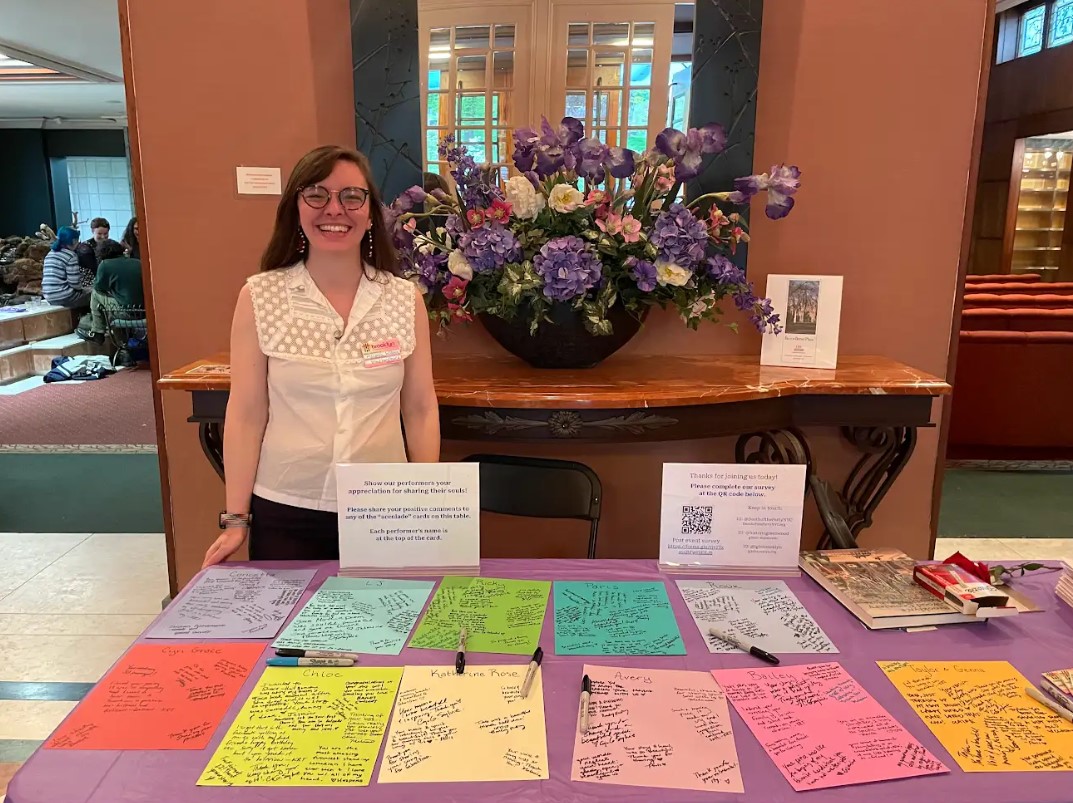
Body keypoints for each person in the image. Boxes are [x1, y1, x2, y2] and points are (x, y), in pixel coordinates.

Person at [201, 145, 440, 567]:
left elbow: (419, 408)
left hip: (384, 511)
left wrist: (424, 508)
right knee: (292, 633)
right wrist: (236, 519)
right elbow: (246, 412)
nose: (335, 209)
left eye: (351, 196)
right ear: (296, 207)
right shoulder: (260, 296)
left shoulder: (403, 299)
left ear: (370, 212)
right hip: (287, 507)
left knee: (387, 627)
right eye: (317, 195)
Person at [87, 239, 143, 337]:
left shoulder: (105, 265)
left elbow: (99, 288)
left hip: (127, 312)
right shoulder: (137, 262)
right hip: (144, 311)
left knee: (95, 293)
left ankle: (97, 332)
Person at [42, 226, 92, 309]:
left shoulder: (50, 253)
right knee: (96, 294)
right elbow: (75, 284)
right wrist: (86, 288)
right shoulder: (71, 256)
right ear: (73, 241)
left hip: (49, 296)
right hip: (65, 296)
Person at [74, 217, 110, 282]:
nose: (103, 237)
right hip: (89, 283)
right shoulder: (84, 248)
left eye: (106, 234)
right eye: (99, 234)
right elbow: (95, 269)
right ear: (92, 231)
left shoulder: (110, 245)